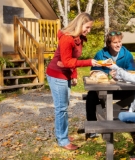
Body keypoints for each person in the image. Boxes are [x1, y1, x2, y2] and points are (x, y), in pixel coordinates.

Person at [46, 12, 100, 151]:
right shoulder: (67, 39)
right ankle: (62, 139)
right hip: (57, 74)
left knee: (64, 106)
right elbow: (67, 61)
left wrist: (73, 74)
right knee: (61, 109)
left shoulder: (78, 38)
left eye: (90, 28)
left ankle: (61, 134)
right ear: (79, 24)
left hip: (65, 74)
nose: (88, 31)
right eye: (87, 27)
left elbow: (71, 60)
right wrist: (89, 62)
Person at [85, 30, 135, 138]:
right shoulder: (100, 54)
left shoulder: (127, 54)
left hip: (122, 89)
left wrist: (120, 74)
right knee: (91, 95)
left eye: (119, 41)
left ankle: (134, 124)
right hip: (104, 89)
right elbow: (93, 72)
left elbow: (132, 72)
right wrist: (108, 73)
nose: (118, 44)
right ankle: (93, 127)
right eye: (115, 42)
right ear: (109, 44)